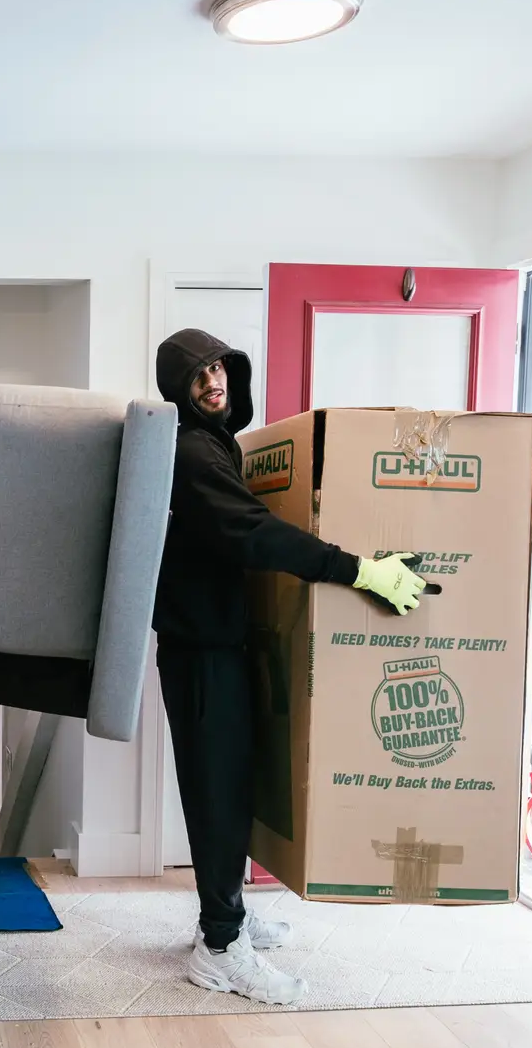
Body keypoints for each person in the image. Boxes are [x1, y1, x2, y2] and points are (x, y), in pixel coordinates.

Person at [152, 328, 428, 1005]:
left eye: (220, 367)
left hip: (219, 644)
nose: (214, 380)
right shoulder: (193, 452)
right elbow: (255, 533)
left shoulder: (214, 445)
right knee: (217, 795)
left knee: (232, 788)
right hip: (200, 652)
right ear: (178, 389)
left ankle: (226, 918)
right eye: (199, 374)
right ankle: (219, 948)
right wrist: (357, 570)